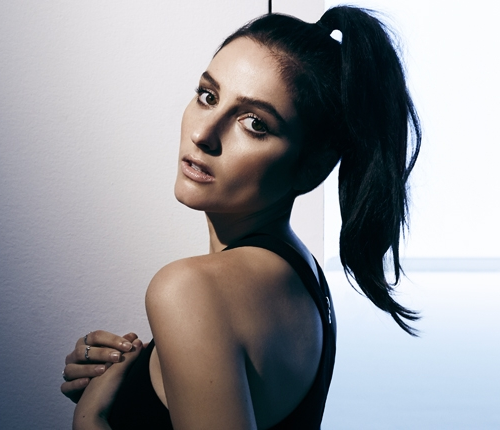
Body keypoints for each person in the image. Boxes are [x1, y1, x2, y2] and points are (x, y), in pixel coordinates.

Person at [61, 6, 421, 429]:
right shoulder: (304, 278)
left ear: (312, 167)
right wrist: (129, 381)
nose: (202, 134)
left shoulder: (189, 290)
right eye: (208, 96)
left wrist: (91, 416)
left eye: (254, 123)